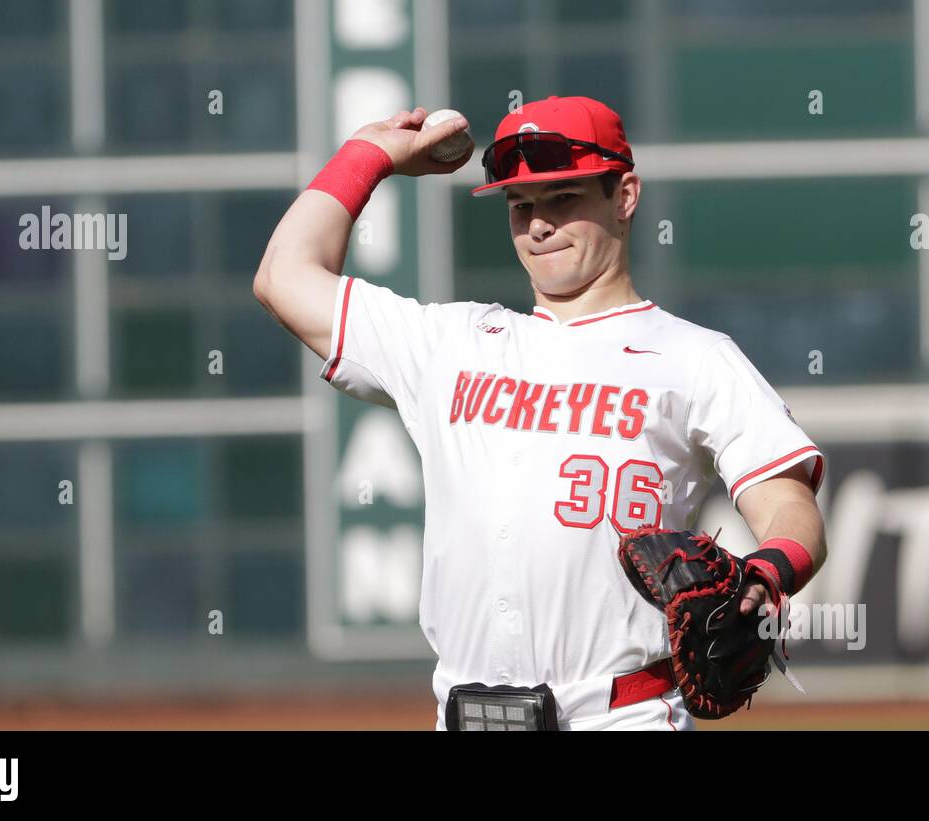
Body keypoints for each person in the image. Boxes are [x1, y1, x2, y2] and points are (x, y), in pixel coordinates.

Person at [254, 95, 827, 731]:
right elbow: (284, 277)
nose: (538, 225)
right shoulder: (450, 342)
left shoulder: (694, 358)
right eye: (521, 205)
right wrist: (370, 155)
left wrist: (767, 571)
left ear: (625, 196)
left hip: (622, 717)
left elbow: (789, 507)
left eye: (563, 198)